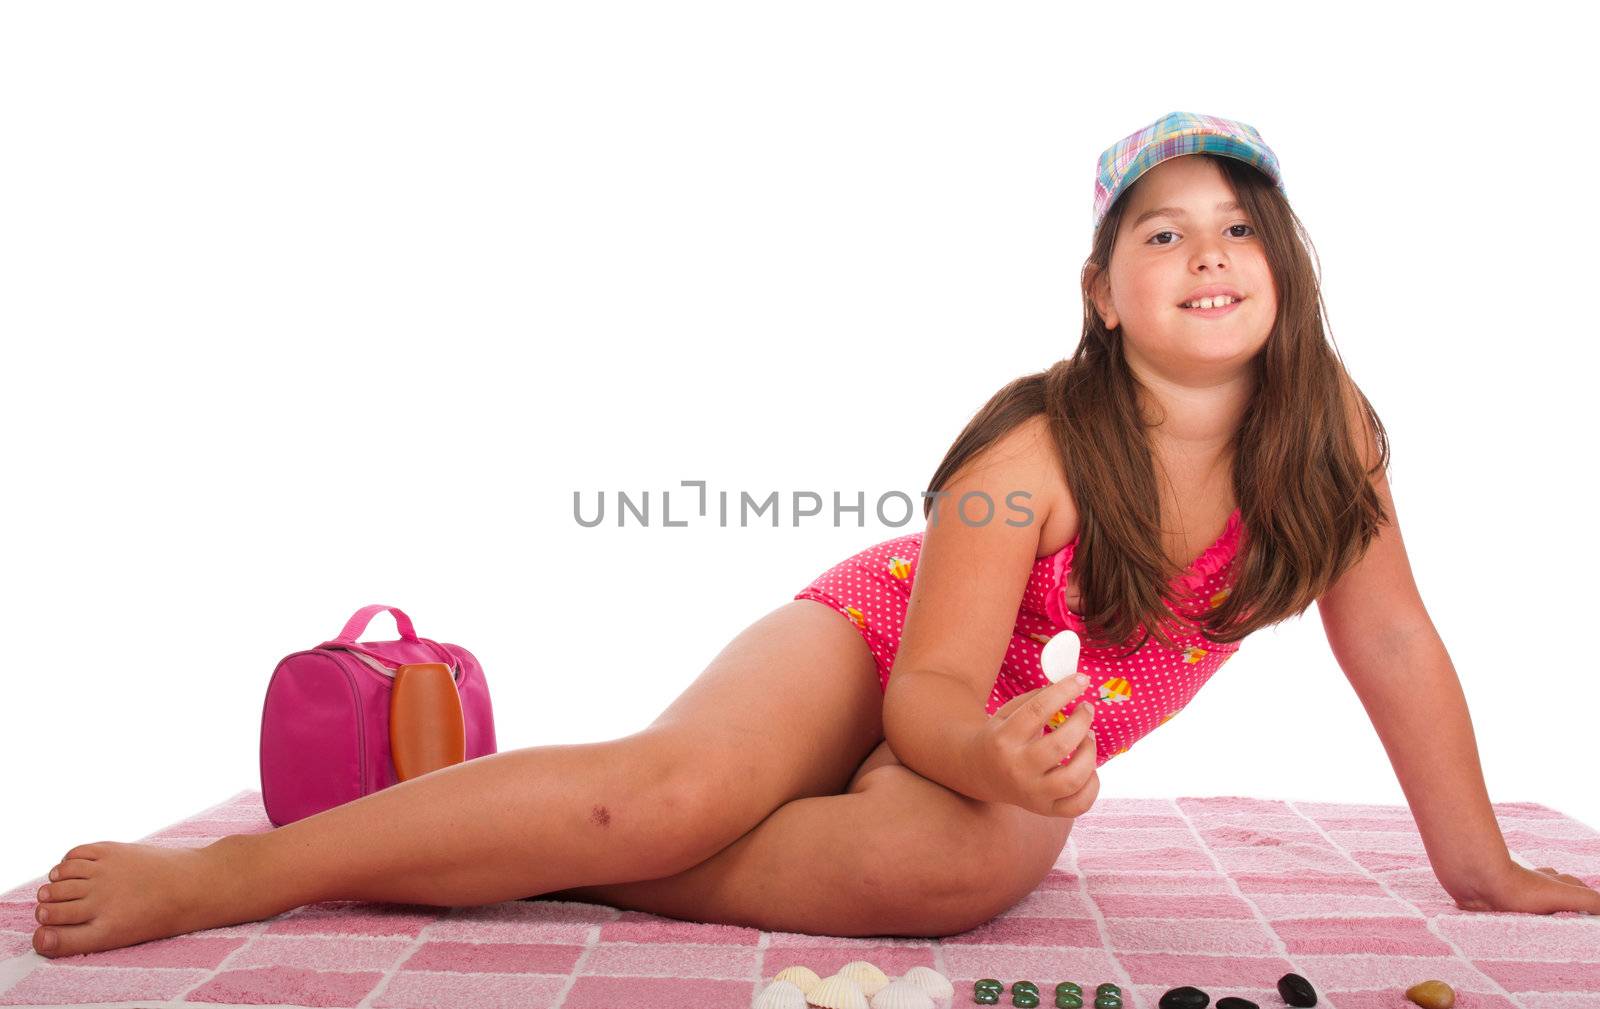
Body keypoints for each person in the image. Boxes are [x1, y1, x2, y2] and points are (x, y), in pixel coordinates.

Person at [29, 110, 1599, 960]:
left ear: (1290, 269)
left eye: (1241, 223)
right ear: (1102, 293)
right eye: (1163, 229)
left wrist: (1477, 863)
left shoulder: (1333, 446)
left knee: (948, 872)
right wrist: (974, 747)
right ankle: (248, 871)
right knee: (674, 787)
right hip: (883, 645)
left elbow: (1392, 640)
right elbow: (930, 695)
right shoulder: (1032, 452)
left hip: (1008, 751)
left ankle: (568, 865)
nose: (1209, 250)